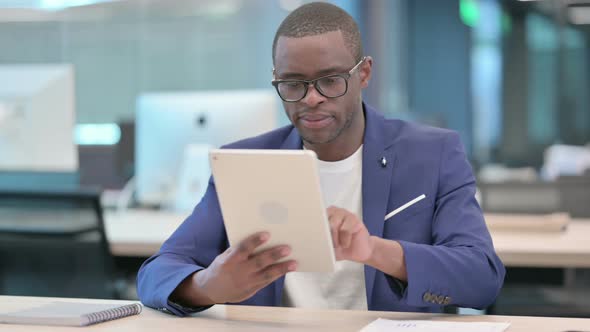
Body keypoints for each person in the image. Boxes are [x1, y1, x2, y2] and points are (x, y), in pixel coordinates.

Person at [137, 2, 505, 315]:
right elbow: (156, 272)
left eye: (330, 81)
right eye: (293, 84)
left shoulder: (433, 154)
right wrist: (208, 286)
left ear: (364, 73)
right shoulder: (244, 162)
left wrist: (374, 251)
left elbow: (482, 278)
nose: (311, 98)